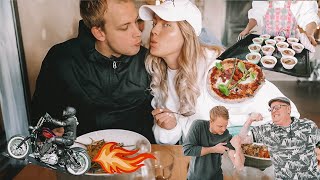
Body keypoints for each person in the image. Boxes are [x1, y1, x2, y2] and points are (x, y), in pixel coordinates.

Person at [139, 0, 300, 145]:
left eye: (166, 25)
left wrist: (241, 139)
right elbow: (170, 139)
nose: (154, 31)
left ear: (186, 34)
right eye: (154, 23)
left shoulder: (220, 72)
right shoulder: (160, 73)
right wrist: (169, 127)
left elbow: (289, 113)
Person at [31, 0, 155, 143]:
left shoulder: (149, 61)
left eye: (137, 21)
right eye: (125, 27)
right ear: (99, 32)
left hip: (139, 154)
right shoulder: (61, 60)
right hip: (82, 156)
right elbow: (41, 118)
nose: (138, 33)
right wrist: (49, 132)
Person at [237, 97, 320, 179]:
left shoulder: (308, 125)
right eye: (271, 109)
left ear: (288, 109)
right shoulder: (266, 130)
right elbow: (241, 140)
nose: (273, 111)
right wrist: (250, 120)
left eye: (277, 108)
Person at [183, 106, 244, 180]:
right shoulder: (198, 126)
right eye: (220, 126)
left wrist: (238, 147)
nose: (224, 129)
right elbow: (187, 150)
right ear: (211, 121)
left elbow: (239, 166)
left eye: (226, 125)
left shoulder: (226, 135)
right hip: (195, 177)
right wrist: (214, 149)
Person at [238, 0, 319, 52]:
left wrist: (309, 33)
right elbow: (256, 14)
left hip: (291, 47)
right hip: (266, 46)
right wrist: (247, 28)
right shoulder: (263, 2)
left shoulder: (299, 2)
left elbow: (309, 17)